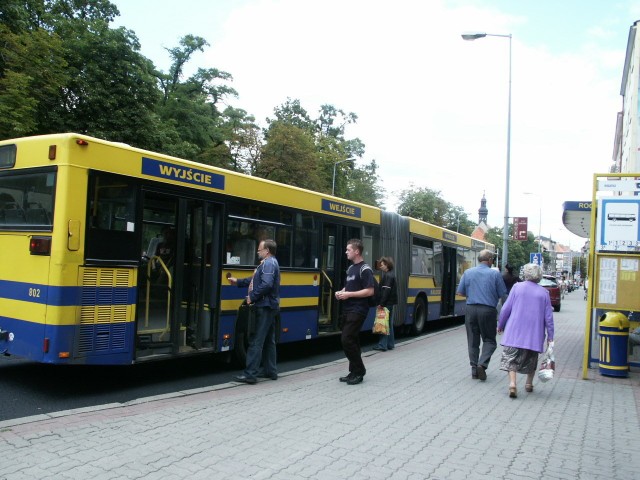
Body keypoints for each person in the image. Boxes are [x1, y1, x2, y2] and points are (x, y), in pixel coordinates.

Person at [497, 263, 555, 398]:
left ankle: (512, 383)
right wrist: (550, 336)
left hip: (515, 331)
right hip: (534, 332)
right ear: (539, 276)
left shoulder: (517, 288)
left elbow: (506, 308)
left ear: (526, 274)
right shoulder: (544, 293)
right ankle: (529, 384)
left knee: (511, 358)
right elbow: (549, 318)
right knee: (531, 358)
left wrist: (501, 324)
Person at [228, 239, 280, 384]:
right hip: (270, 306)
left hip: (264, 306)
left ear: (267, 251)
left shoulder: (269, 264)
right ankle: (270, 371)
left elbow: (267, 284)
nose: (258, 252)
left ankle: (250, 374)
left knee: (256, 340)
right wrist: (238, 282)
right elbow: (255, 279)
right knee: (269, 340)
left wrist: (252, 297)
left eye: (260, 249)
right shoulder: (269, 263)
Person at [456, 249, 507, 381]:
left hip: (471, 309)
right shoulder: (495, 274)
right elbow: (503, 294)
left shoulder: (468, 273)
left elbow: (460, 293)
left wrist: (473, 294)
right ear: (490, 260)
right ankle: (482, 364)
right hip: (488, 310)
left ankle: (474, 370)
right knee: (489, 340)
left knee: (473, 340)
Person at [335, 238, 374, 385]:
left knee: (347, 339)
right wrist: (341, 292)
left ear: (356, 251)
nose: (346, 252)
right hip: (347, 308)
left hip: (358, 310)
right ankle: (353, 372)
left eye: (348, 250)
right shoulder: (351, 269)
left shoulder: (365, 269)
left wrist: (349, 295)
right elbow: (349, 287)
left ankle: (360, 371)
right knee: (353, 341)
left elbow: (370, 291)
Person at [373, 256, 398, 352]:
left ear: (387, 265)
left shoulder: (388, 276)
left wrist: (381, 304)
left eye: (382, 265)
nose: (380, 267)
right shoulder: (391, 275)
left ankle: (382, 345)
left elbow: (386, 292)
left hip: (386, 303)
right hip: (391, 303)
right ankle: (390, 344)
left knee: (383, 323)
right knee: (389, 324)